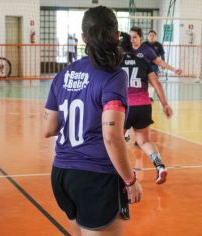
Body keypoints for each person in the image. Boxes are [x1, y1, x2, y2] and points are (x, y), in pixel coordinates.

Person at [43, 6, 142, 236]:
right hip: (95, 177)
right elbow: (111, 136)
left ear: (83, 37)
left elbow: (48, 129)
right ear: (117, 35)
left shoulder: (64, 74)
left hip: (62, 175)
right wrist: (130, 180)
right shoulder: (114, 76)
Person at [120, 32, 173, 185]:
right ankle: (159, 165)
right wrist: (164, 104)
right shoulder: (142, 61)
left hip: (124, 107)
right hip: (143, 106)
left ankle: (122, 174)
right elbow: (157, 84)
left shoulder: (116, 62)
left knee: (118, 141)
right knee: (144, 141)